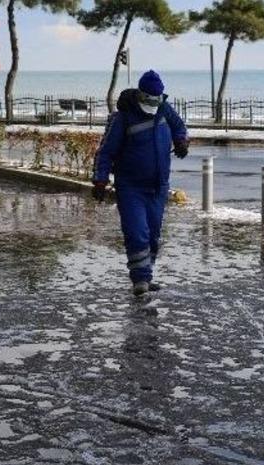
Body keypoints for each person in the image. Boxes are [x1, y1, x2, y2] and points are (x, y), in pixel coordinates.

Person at [92, 70, 189, 296]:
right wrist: (100, 180)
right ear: (140, 95)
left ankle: (146, 274)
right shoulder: (123, 118)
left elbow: (179, 126)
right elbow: (106, 151)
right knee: (137, 232)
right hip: (131, 187)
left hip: (158, 186)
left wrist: (181, 141)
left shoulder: (164, 109)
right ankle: (140, 279)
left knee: (153, 234)